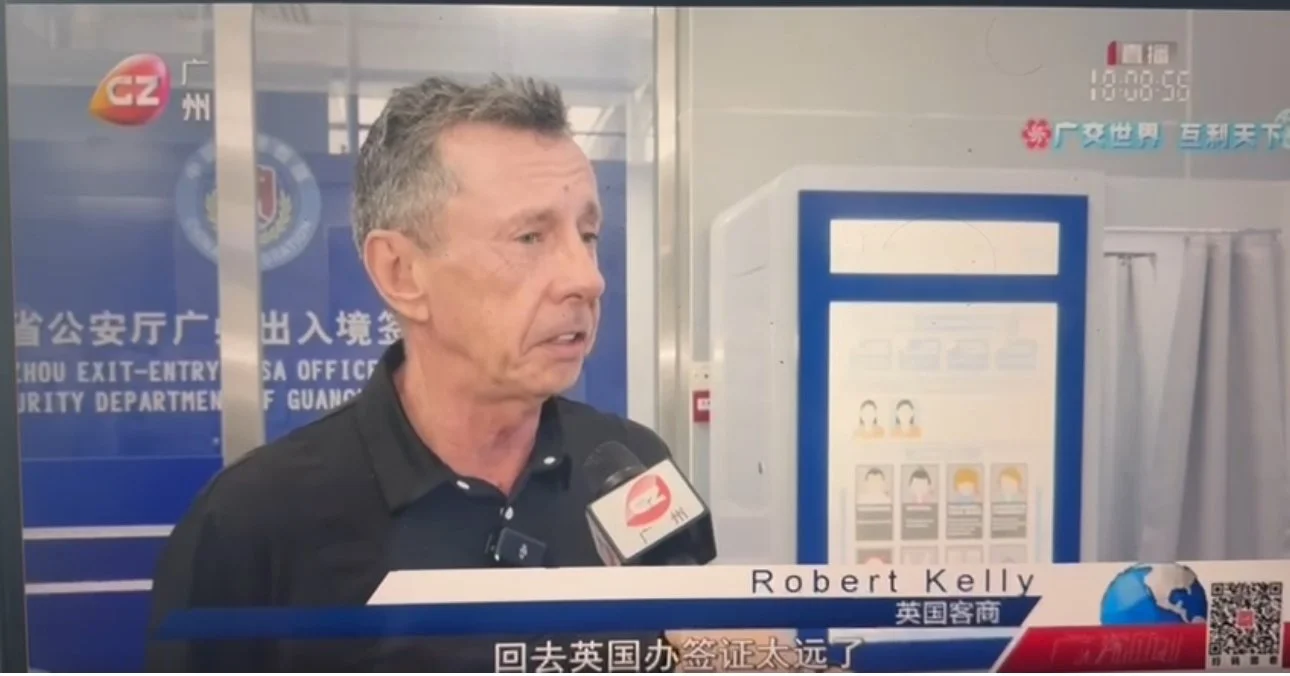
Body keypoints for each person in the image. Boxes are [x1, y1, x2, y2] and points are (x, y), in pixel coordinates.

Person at [146, 75, 782, 672]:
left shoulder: (631, 466)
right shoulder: (254, 523)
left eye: (587, 235)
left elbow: (707, 643)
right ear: (401, 272)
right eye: (530, 237)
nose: (588, 278)